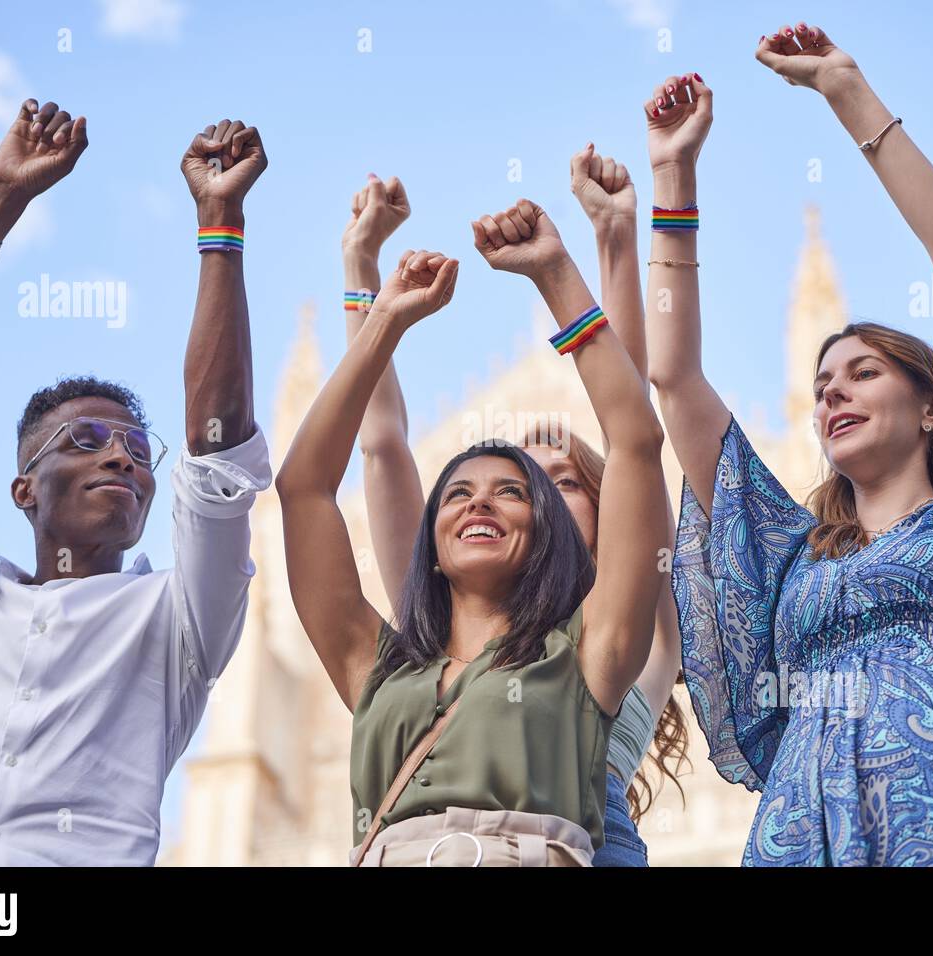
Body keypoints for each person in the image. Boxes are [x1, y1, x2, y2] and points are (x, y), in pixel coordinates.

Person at [644, 27, 933, 865]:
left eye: (862, 373)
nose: (832, 392)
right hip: (815, 825)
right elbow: (673, 379)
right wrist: (673, 176)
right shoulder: (789, 554)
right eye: (823, 384)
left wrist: (844, 89)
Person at [0, 103, 272, 866]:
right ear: (25, 490)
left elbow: (218, 455)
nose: (121, 457)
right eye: (84, 440)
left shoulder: (177, 621)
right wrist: (0, 202)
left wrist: (221, 223)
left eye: (135, 449)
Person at [276, 200, 669, 866]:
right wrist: (379, 309)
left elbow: (632, 435)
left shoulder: (589, 652)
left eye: (527, 489)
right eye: (456, 492)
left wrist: (565, 268)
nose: (480, 504)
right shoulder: (390, 667)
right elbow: (324, 478)